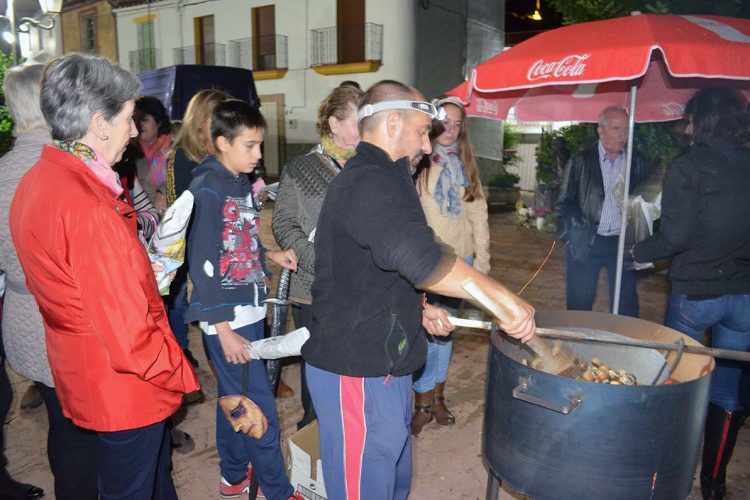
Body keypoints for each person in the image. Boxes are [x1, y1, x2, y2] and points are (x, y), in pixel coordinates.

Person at [302, 80, 535, 499]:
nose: (428, 146)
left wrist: (418, 308)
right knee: (362, 486)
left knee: (392, 478)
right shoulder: (366, 182)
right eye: (423, 131)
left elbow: (384, 265)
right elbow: (423, 261)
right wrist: (505, 302)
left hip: (386, 360)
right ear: (393, 123)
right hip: (354, 367)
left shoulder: (391, 179)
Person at [9, 53, 200, 500]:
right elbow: (128, 330)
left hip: (88, 366)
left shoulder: (42, 178)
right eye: (129, 119)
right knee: (132, 486)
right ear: (99, 123)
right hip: (123, 382)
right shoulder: (87, 204)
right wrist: (177, 370)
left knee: (142, 480)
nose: (135, 133)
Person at [633, 87, 750, 500]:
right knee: (727, 393)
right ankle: (714, 483)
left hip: (697, 294)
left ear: (701, 121)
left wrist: (638, 251)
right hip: (744, 296)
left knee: (677, 379)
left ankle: (663, 472)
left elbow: (675, 236)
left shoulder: (690, 165)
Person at [185, 99, 299, 499]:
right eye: (250, 145)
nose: (259, 154)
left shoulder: (236, 182)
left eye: (260, 145)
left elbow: (237, 241)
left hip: (247, 307)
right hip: (227, 319)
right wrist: (223, 331)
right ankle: (276, 490)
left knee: (234, 397)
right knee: (257, 407)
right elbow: (202, 266)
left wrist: (268, 254)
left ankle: (234, 475)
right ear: (221, 142)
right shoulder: (208, 190)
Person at [0, 63, 99, 500]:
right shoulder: (69, 165)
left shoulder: (3, 169)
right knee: (84, 429)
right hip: (69, 317)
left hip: (22, 314)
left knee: (63, 423)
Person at [272, 83, 363, 430]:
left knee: (353, 366)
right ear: (333, 123)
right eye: (356, 121)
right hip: (312, 288)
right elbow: (284, 224)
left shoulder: (369, 168)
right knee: (318, 365)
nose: (362, 130)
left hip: (361, 288)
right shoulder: (300, 169)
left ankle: (349, 434)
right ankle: (313, 437)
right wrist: (323, 265)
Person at [410, 95, 490, 435]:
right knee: (426, 333)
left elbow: (478, 215)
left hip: (461, 262)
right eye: (446, 122)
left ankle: (438, 398)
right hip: (428, 264)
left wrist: (482, 261)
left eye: (458, 124)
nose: (451, 130)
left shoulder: (466, 165)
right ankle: (421, 402)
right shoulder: (417, 163)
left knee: (446, 333)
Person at [555, 106, 649, 317]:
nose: (623, 136)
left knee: (626, 305)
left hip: (623, 242)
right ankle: (577, 346)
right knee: (579, 304)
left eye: (626, 130)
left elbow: (645, 200)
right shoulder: (580, 161)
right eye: (616, 129)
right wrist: (571, 237)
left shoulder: (637, 161)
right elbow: (563, 203)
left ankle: (624, 346)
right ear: (601, 130)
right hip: (588, 239)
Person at [165, 89, 229, 369]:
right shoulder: (183, 157)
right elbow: (183, 208)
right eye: (215, 117)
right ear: (200, 120)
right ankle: (216, 363)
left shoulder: (224, 148)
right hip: (199, 245)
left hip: (228, 240)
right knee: (206, 306)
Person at [135, 95, 173, 211]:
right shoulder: (130, 153)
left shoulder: (173, 151)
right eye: (136, 120)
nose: (139, 125)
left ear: (159, 122)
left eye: (144, 119)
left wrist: (163, 191)